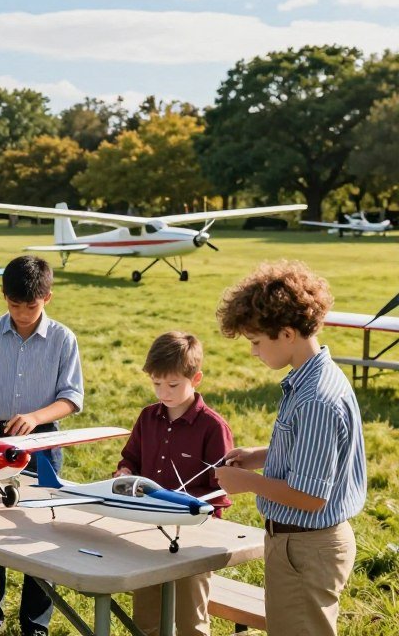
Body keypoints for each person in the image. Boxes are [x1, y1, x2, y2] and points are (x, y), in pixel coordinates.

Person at [214, 261, 366, 636]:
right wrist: (260, 456)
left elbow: (311, 496)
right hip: (299, 546)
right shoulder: (312, 378)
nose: (253, 352)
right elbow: (314, 451)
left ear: (285, 334)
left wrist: (246, 482)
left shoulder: (316, 398)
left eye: (255, 342)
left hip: (306, 548)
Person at [0, 255, 83, 636]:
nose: (23, 313)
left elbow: (72, 397)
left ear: (48, 297)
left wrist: (36, 417)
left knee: (36, 526)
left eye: (31, 305)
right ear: (3, 297)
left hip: (42, 440)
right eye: (14, 305)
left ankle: (35, 623)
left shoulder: (63, 339)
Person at [115, 331, 233, 636]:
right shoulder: (147, 417)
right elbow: (130, 459)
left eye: (172, 385)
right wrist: (125, 472)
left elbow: (221, 490)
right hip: (148, 530)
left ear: (196, 379)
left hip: (194, 538)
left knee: (191, 621)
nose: (163, 392)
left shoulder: (213, 427)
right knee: (146, 618)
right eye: (156, 384)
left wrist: (184, 504)